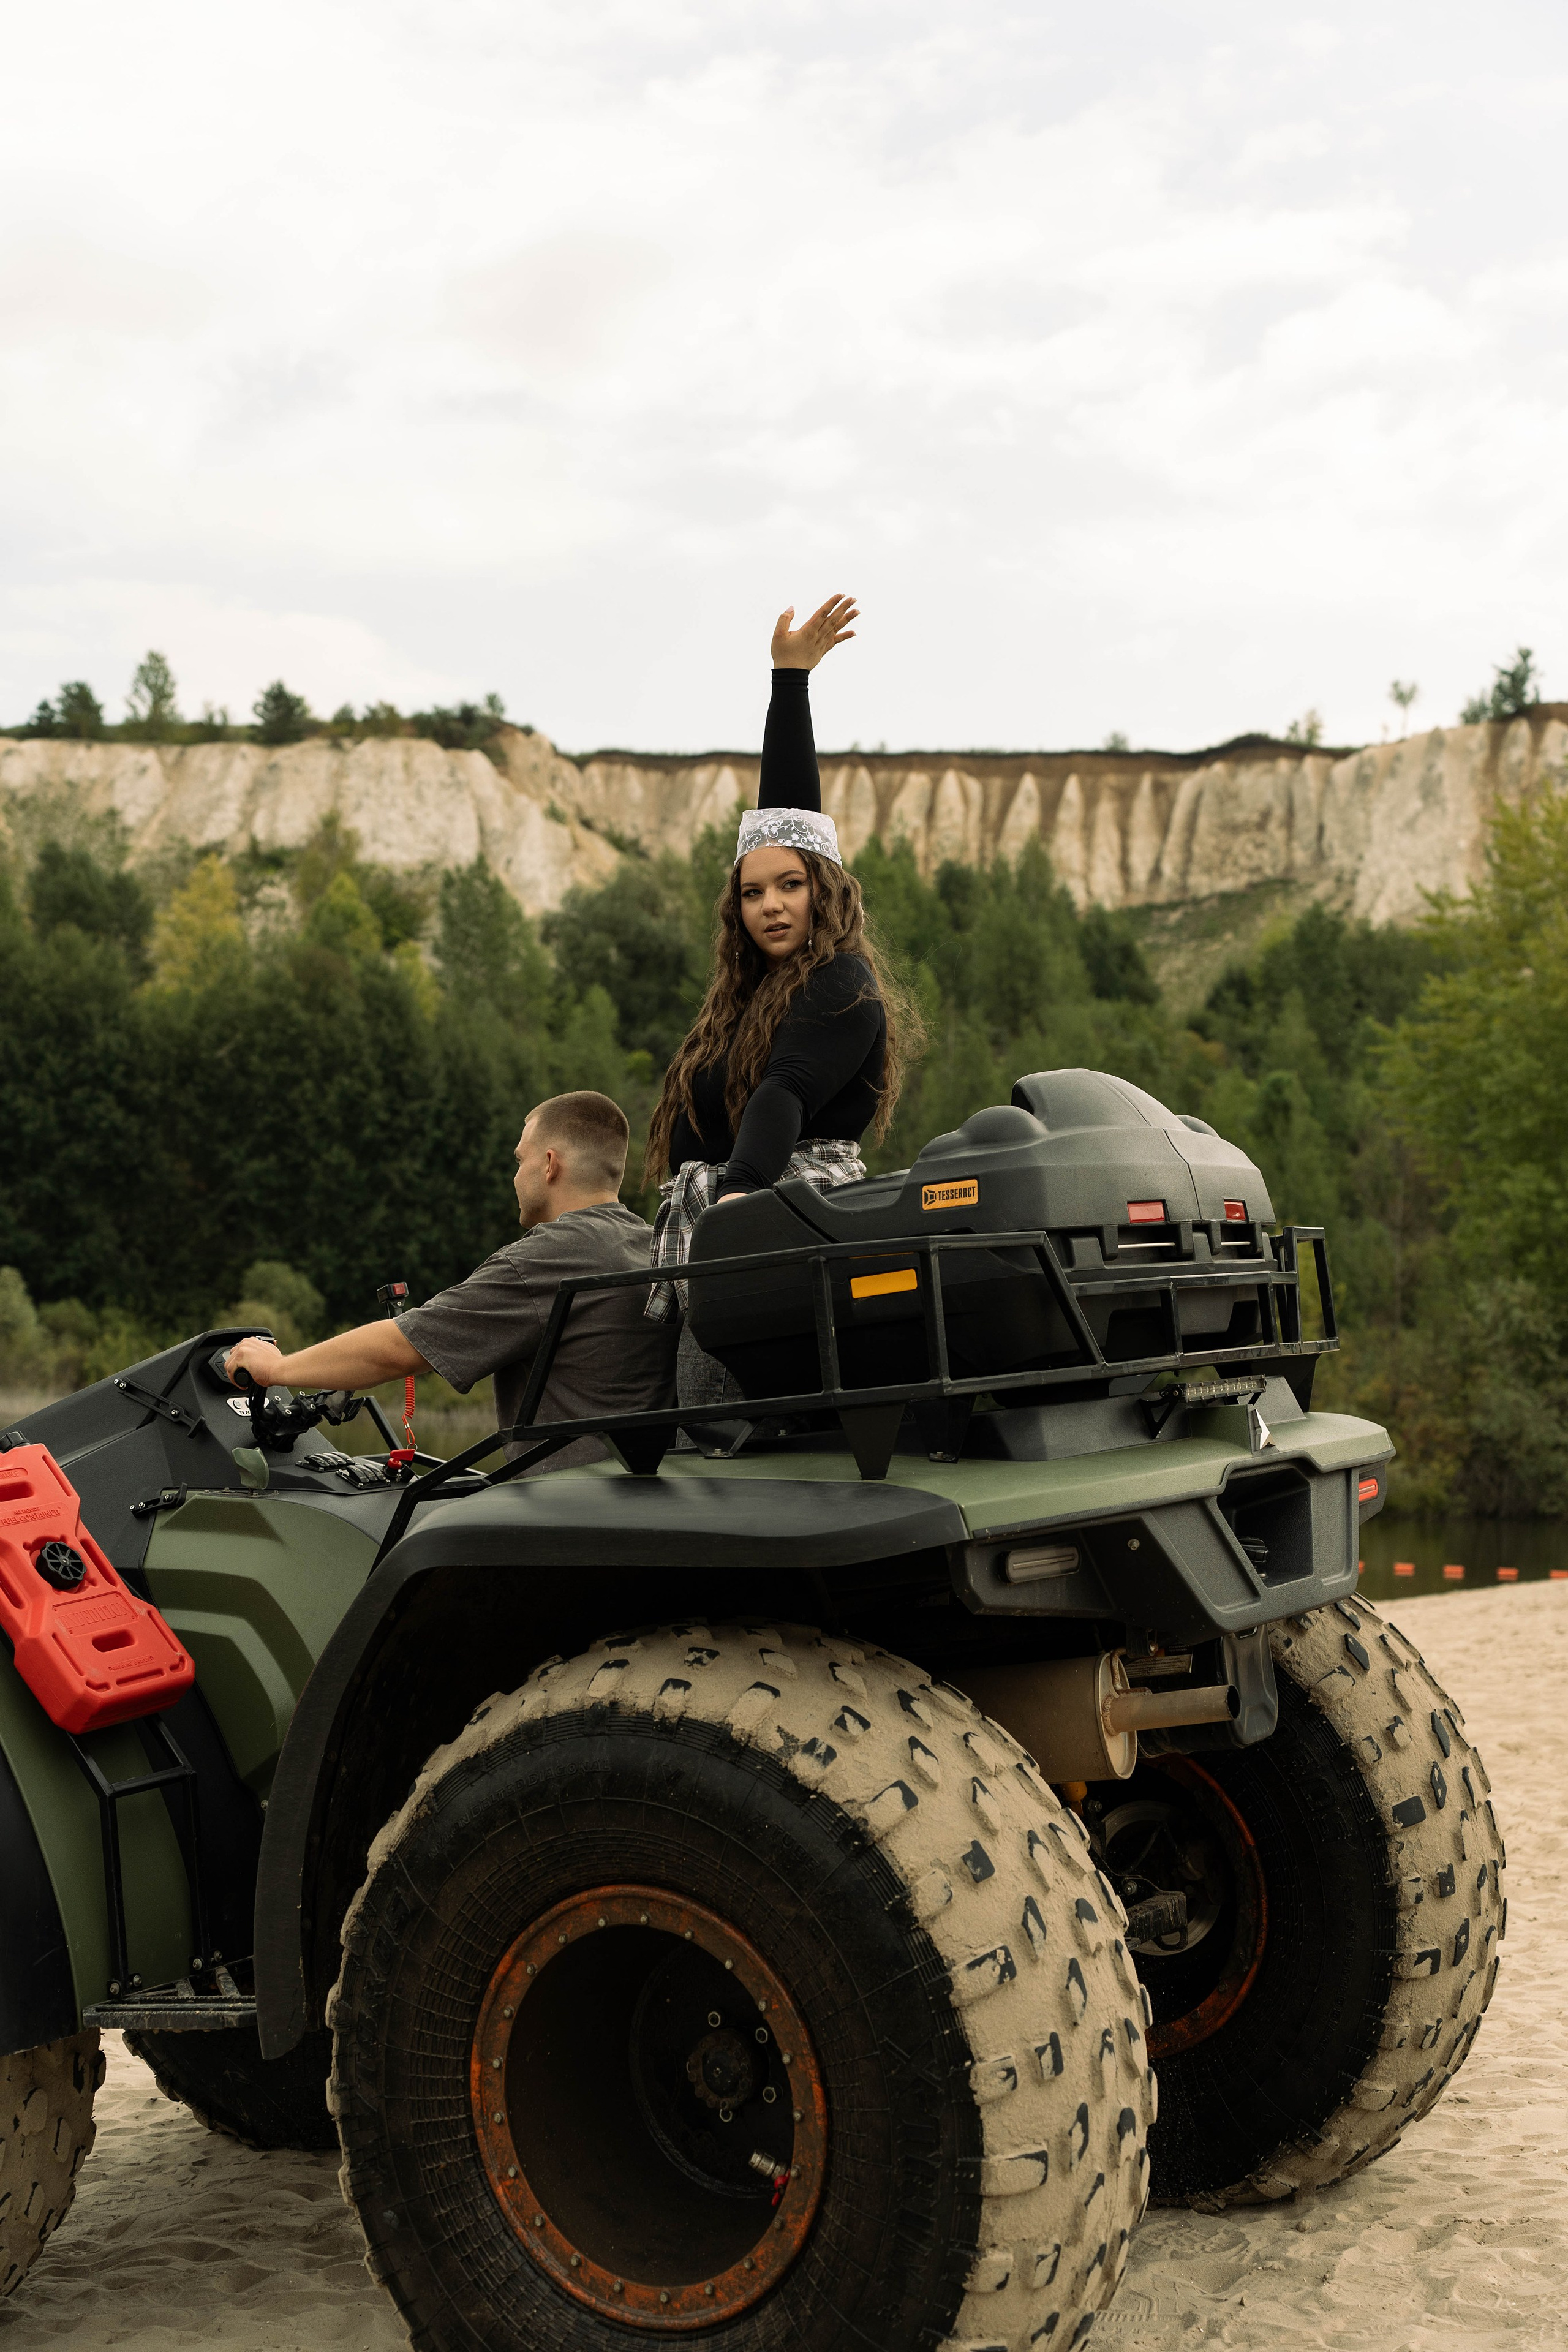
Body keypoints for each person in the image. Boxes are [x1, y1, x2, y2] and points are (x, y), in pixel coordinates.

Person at [643, 594, 919, 1413]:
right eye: (754, 891)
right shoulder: (747, 996)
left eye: (792, 886)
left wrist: (733, 1204)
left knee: (715, 1428)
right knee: (687, 1423)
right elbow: (785, 819)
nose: (771, 903)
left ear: (822, 889)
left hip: (776, 1229)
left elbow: (783, 1094)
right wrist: (787, 678)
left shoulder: (841, 983)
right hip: (727, 1232)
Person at [224, 1091, 675, 1471]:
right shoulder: (651, 1245)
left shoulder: (551, 1256)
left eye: (520, 1160)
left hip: (563, 1514)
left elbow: (403, 1348)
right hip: (640, 1496)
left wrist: (277, 1368)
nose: (515, 1175)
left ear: (550, 1164)